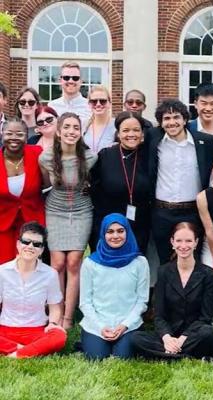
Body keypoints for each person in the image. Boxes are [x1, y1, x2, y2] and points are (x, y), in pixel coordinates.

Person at [39, 112, 97, 329]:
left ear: (80, 132)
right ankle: (56, 313)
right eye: (67, 127)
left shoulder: (90, 158)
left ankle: (67, 318)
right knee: (57, 264)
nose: (71, 131)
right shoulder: (45, 157)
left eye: (75, 127)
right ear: (59, 131)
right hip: (55, 210)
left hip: (81, 211)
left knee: (73, 262)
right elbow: (45, 185)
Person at [148, 99, 213, 264]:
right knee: (165, 262)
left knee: (192, 261)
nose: (172, 122)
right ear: (160, 122)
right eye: (167, 118)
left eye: (176, 117)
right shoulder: (153, 139)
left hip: (192, 211)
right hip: (162, 212)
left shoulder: (205, 142)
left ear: (185, 119)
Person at [131, 222, 213, 360]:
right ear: (172, 242)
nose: (183, 246)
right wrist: (167, 338)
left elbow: (205, 318)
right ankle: (184, 355)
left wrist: (182, 339)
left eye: (188, 241)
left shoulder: (208, 274)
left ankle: (168, 354)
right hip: (169, 334)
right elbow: (159, 315)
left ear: (196, 243)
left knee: (207, 333)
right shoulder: (163, 272)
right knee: (136, 338)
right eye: (179, 241)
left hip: (193, 335)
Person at [80, 213, 150, 360]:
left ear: (128, 232)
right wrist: (100, 326)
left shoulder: (140, 262)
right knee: (96, 357)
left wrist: (125, 325)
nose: (115, 236)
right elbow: (85, 302)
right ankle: (92, 341)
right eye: (110, 232)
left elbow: (142, 301)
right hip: (97, 324)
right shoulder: (90, 263)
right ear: (103, 234)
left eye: (120, 231)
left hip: (128, 324)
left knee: (123, 357)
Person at [0, 222, 66, 358]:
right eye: (26, 242)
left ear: (41, 250)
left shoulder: (50, 274)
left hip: (36, 331)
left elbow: (55, 307)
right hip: (6, 329)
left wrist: (53, 324)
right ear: (18, 244)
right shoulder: (2, 271)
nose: (30, 247)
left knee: (59, 336)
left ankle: (16, 353)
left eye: (37, 244)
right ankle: (27, 351)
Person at [90, 112, 151, 253]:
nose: (131, 134)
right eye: (126, 130)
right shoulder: (105, 155)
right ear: (118, 133)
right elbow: (94, 188)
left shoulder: (149, 156)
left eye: (136, 130)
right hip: (109, 225)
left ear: (142, 134)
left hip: (139, 225)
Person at [0, 118, 45, 264]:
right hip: (3, 223)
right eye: (9, 133)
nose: (14, 138)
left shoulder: (37, 154)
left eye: (19, 134)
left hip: (31, 220)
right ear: (2, 134)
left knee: (29, 265)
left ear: (27, 136)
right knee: (4, 266)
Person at [48, 61, 91, 129]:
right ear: (60, 80)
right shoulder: (52, 106)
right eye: (66, 78)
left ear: (81, 81)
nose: (71, 81)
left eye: (75, 78)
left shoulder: (90, 107)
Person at [83, 85, 115, 153]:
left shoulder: (117, 126)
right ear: (89, 104)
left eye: (102, 101)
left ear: (109, 103)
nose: (98, 104)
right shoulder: (83, 125)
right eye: (94, 101)